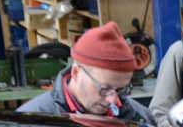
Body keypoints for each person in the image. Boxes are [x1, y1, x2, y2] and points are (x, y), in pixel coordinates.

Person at [18, 22, 151, 121]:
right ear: (76, 72)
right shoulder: (33, 122)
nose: (112, 100)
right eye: (104, 88)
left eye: (120, 90)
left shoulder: (136, 116)